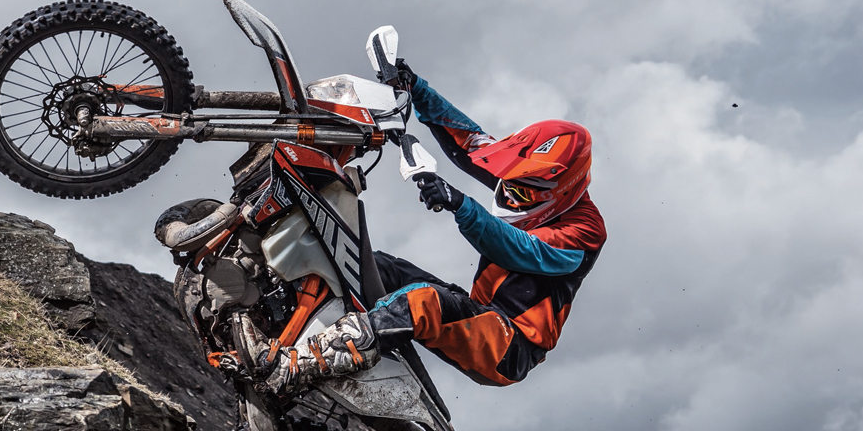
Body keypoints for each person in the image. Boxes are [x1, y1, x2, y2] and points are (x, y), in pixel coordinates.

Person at [252, 62, 605, 391]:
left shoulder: (585, 232)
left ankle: (301, 367)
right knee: (372, 265)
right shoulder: (526, 183)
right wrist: (417, 88)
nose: (511, 195)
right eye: (508, 181)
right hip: (478, 310)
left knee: (424, 302)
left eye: (523, 191)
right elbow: (468, 139)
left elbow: (520, 250)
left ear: (565, 189)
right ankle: (280, 320)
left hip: (509, 344)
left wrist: (461, 204)